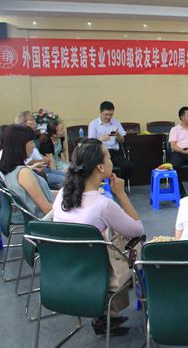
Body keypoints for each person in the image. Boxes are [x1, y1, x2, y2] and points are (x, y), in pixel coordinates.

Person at [53, 138, 144, 336]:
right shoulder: (103, 205)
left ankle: (106, 314)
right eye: (109, 157)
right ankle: (119, 309)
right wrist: (121, 194)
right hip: (97, 274)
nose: (112, 161)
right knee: (139, 245)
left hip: (62, 269)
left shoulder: (62, 193)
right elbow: (138, 230)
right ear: (100, 167)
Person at [0, 125, 55, 218]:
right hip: (47, 220)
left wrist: (63, 193)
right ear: (20, 145)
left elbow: (42, 193)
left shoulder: (13, 170)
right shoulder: (24, 173)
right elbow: (46, 209)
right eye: (31, 142)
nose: (34, 146)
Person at [14, 110, 66, 189]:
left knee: (67, 176)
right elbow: (26, 161)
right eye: (31, 119)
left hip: (45, 168)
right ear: (23, 123)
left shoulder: (30, 136)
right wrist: (42, 160)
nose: (35, 122)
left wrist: (45, 159)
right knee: (65, 180)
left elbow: (37, 154)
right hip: (37, 172)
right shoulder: (21, 140)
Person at [87, 101, 134, 182]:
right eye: (106, 114)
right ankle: (103, 185)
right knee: (100, 168)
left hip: (113, 153)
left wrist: (118, 135)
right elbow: (90, 143)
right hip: (100, 153)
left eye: (111, 114)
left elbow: (122, 140)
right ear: (101, 112)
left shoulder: (116, 122)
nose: (108, 117)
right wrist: (101, 139)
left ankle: (119, 183)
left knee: (128, 166)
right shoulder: (93, 124)